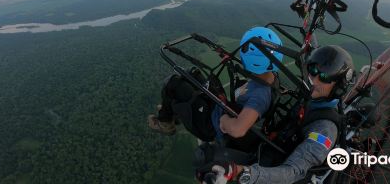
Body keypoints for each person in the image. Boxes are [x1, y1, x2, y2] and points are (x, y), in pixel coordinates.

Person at [199, 45, 355, 184]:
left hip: (275, 172)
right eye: (313, 71)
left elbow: (293, 172)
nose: (314, 79)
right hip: (269, 150)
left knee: (205, 159)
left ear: (338, 88)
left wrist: (239, 172)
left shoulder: (324, 130)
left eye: (325, 77)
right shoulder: (313, 97)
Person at [147, 27, 284, 143]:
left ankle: (165, 122)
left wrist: (224, 120)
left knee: (172, 83)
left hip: (210, 125)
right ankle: (173, 110)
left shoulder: (260, 96)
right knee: (192, 73)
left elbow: (238, 130)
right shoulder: (268, 75)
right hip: (220, 106)